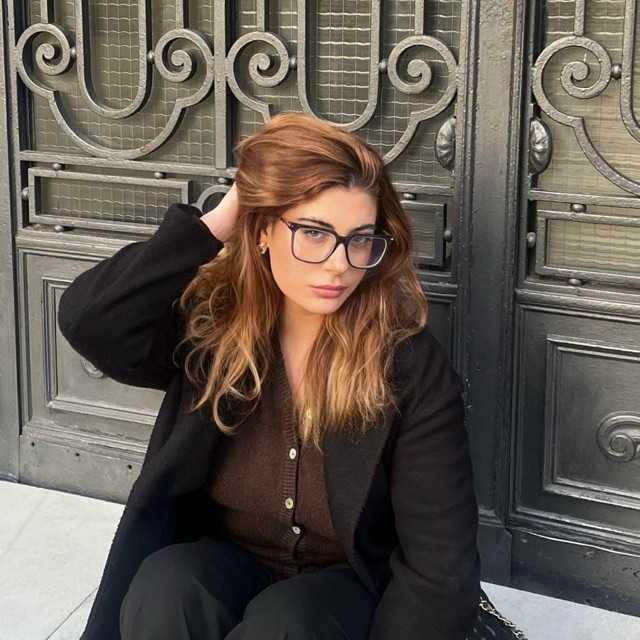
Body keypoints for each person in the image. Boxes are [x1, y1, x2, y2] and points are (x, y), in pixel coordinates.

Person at [58, 112, 481, 640]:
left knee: (287, 625)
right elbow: (91, 319)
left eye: (360, 239)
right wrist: (222, 219)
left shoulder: (408, 365)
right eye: (313, 233)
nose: (339, 264)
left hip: (342, 586)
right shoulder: (213, 329)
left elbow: (440, 565)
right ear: (262, 231)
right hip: (228, 558)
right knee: (166, 585)